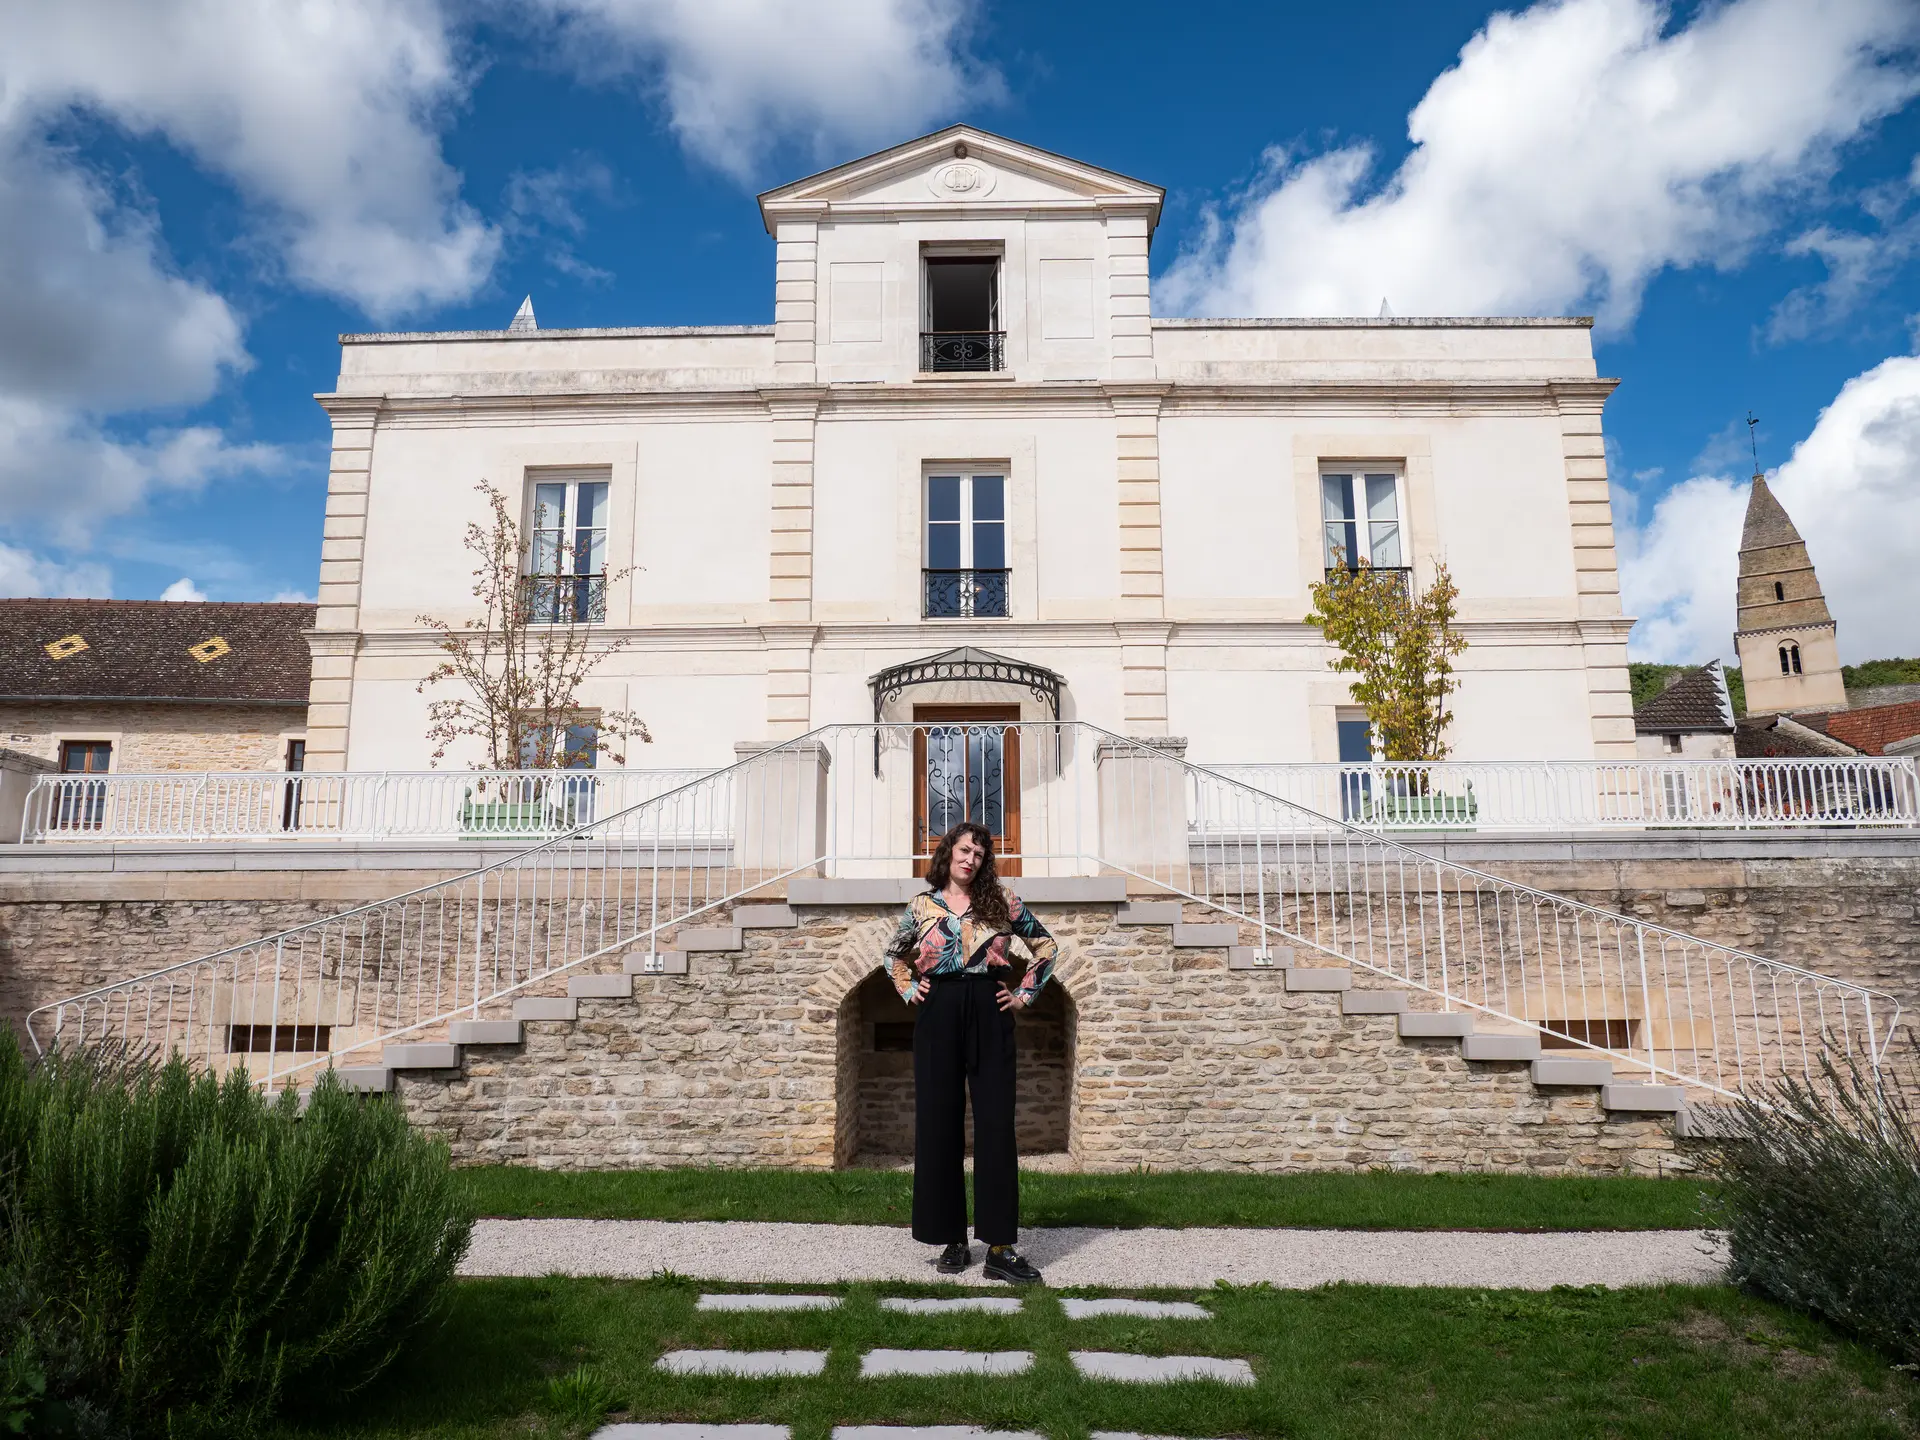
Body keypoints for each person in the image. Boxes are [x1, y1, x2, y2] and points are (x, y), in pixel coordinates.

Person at [885, 820, 1057, 1284]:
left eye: (979, 854)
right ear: (948, 853)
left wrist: (1023, 994)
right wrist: (908, 987)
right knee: (939, 1122)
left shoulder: (1001, 901)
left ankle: (1000, 1247)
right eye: (964, 850)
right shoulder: (923, 906)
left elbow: (1045, 946)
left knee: (997, 1123)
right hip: (938, 1008)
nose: (971, 859)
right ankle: (952, 1239)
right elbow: (893, 955)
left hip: (988, 1006)